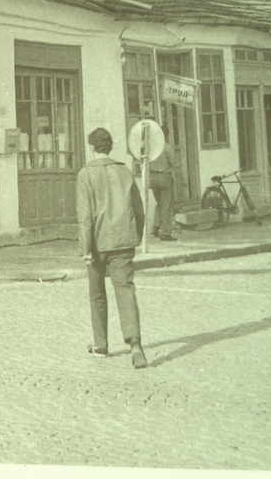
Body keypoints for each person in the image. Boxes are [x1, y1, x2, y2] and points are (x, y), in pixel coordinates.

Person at [77, 127, 148, 369]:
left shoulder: (85, 175)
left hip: (97, 243)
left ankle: (101, 344)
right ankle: (135, 345)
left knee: (97, 294)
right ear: (110, 147)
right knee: (125, 291)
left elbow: (85, 217)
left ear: (91, 147)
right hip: (123, 241)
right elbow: (139, 210)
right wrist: (135, 236)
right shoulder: (125, 172)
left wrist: (85, 248)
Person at [144, 125, 178, 241]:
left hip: (153, 178)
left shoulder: (152, 148)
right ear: (166, 135)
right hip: (164, 177)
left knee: (159, 202)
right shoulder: (167, 147)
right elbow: (173, 162)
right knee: (166, 205)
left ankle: (155, 227)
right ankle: (165, 233)